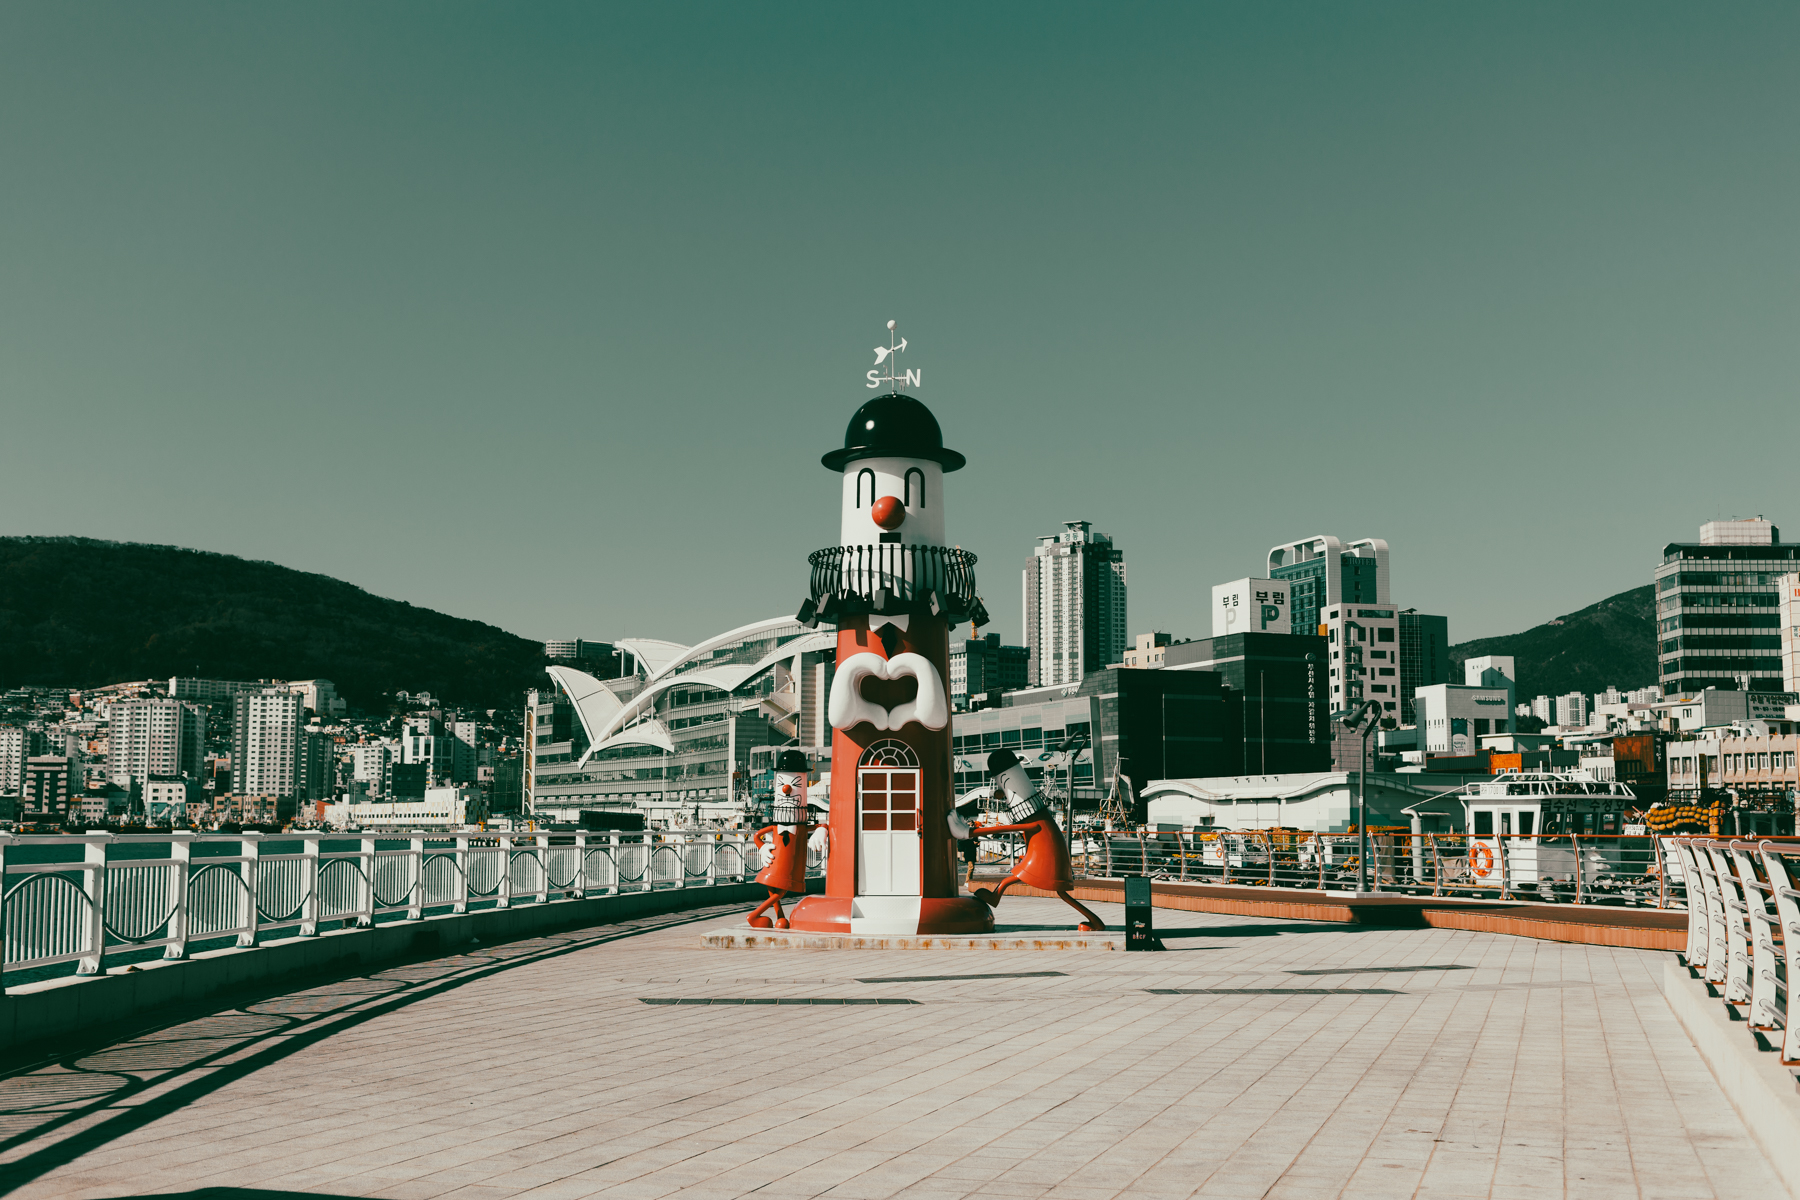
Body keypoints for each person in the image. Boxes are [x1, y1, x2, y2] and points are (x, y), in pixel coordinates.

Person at [967, 749, 1105, 931]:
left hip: (1046, 856)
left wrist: (972, 832)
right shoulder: (1038, 815)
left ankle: (1096, 922)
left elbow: (1011, 828)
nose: (1004, 793)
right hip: (1044, 853)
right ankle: (1095, 922)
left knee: (1050, 887)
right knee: (1060, 892)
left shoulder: (1036, 819)